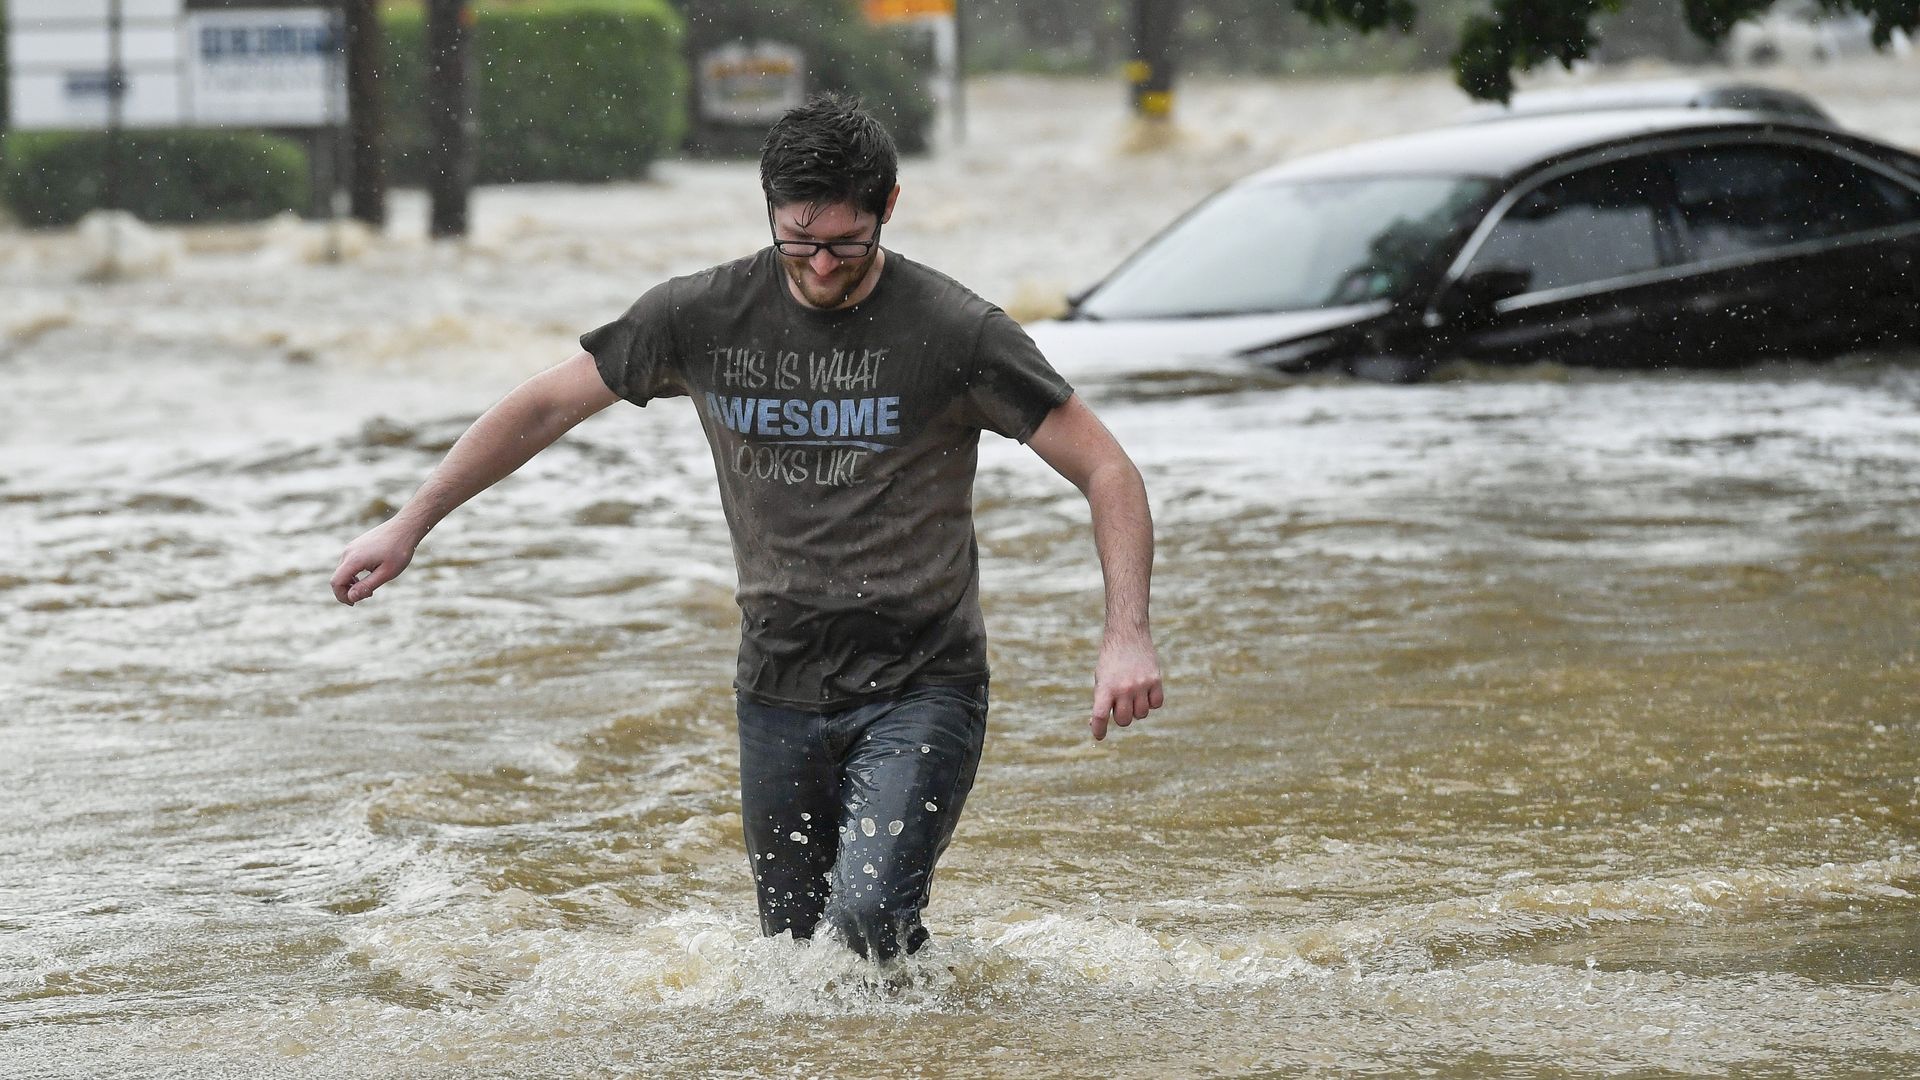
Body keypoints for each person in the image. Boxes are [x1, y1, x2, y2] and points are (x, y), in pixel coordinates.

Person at [330, 94, 1164, 962]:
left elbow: (1107, 467)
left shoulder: (958, 333)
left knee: (869, 920)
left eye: (847, 242)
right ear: (768, 211)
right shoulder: (703, 315)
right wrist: (409, 523)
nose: (823, 266)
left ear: (890, 207)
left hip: (922, 683)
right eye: (798, 243)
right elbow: (544, 405)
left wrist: (1126, 635)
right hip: (776, 686)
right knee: (796, 964)